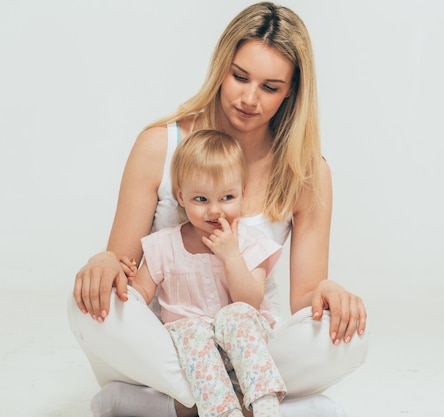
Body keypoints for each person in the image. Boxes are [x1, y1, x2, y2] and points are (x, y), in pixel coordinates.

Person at [68, 2, 369, 417]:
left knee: (350, 338)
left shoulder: (307, 172)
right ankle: (241, 404)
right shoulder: (160, 146)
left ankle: (175, 408)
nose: (249, 98)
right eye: (240, 76)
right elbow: (122, 273)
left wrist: (328, 292)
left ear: (291, 92)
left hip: (251, 345)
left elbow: (305, 298)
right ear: (221, 67)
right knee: (84, 303)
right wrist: (101, 262)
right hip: (167, 346)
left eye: (270, 87)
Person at [130, 129, 286, 417]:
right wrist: (123, 291)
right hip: (194, 357)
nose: (215, 210)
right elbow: (138, 295)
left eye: (227, 197)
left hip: (249, 347)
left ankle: (265, 405)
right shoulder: (164, 245)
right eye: (201, 199)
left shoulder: (249, 243)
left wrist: (231, 257)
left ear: (242, 193)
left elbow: (250, 300)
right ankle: (224, 413)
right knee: (189, 329)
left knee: (233, 315)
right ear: (181, 197)